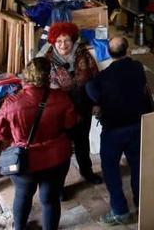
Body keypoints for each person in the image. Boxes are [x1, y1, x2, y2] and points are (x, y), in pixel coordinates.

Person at [0, 58, 77, 230]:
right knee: (50, 199)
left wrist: (17, 139)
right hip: (56, 158)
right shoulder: (62, 98)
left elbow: (0, 133)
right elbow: (70, 124)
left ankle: (19, 228)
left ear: (26, 75)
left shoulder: (12, 102)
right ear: (48, 77)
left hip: (24, 160)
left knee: (23, 196)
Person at [86, 36, 154, 226]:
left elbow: (91, 89)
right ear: (128, 50)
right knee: (137, 167)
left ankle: (120, 211)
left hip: (113, 130)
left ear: (107, 53)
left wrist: (98, 103)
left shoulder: (102, 78)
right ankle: (142, 205)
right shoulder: (137, 68)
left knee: (110, 170)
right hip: (137, 125)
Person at [37, 22, 103, 185]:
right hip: (60, 112)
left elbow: (95, 79)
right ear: (53, 42)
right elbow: (42, 87)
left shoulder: (84, 55)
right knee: (62, 149)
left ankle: (87, 173)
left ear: (73, 40)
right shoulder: (46, 61)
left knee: (82, 143)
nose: (63, 45)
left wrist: (97, 103)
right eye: (59, 41)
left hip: (83, 106)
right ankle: (60, 185)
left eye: (66, 40)